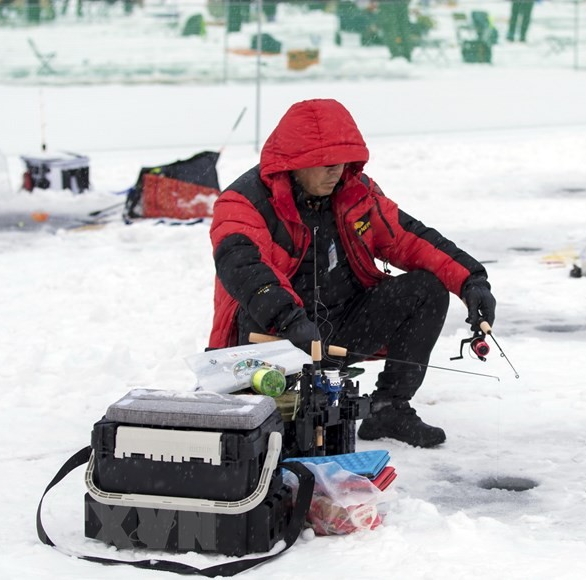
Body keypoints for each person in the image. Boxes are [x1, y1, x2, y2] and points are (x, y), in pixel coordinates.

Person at [208, 99, 497, 448]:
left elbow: (410, 239)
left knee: (426, 288)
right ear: (296, 162)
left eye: (343, 161)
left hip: (338, 331)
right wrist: (290, 319)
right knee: (275, 431)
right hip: (271, 337)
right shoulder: (242, 203)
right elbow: (243, 268)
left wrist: (472, 282)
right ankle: (264, 412)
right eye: (326, 163)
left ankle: (390, 408)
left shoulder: (355, 192)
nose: (336, 171)